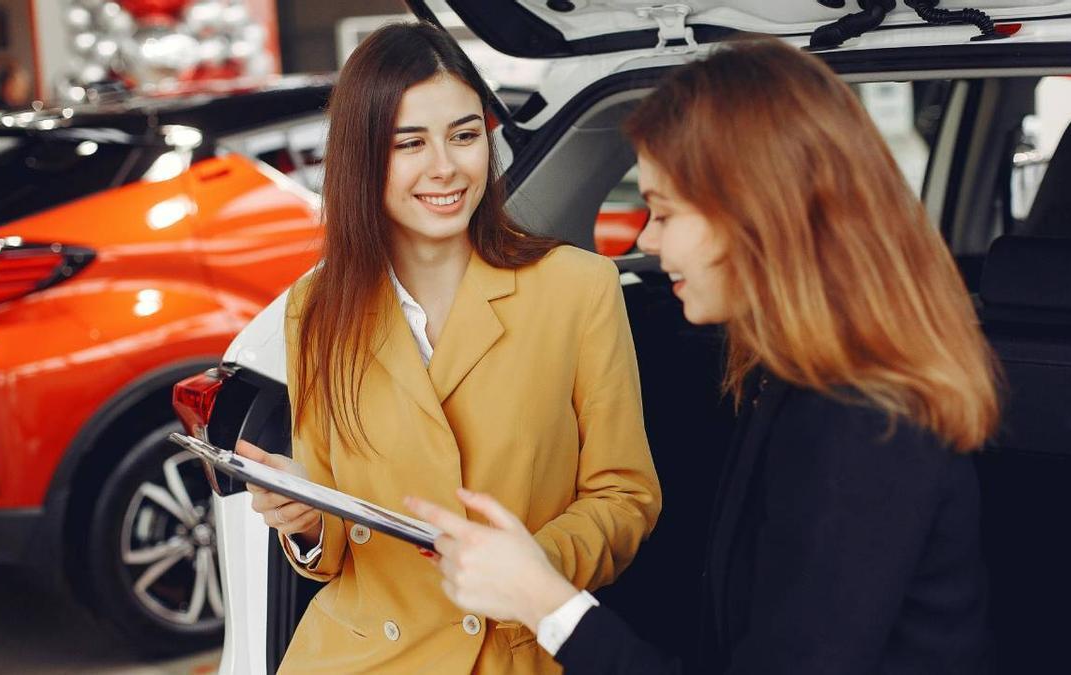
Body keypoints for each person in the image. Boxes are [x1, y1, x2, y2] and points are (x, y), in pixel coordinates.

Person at [406, 36, 1000, 674]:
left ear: (756, 217)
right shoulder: (799, 375)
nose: (646, 240)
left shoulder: (863, 419)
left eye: (663, 212)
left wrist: (541, 599)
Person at [234, 22, 661, 674]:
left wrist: (533, 568)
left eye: (464, 136)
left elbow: (625, 496)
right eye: (411, 143)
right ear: (362, 156)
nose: (446, 167)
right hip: (354, 656)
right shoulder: (316, 307)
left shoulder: (578, 288)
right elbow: (333, 551)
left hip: (513, 653)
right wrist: (304, 520)